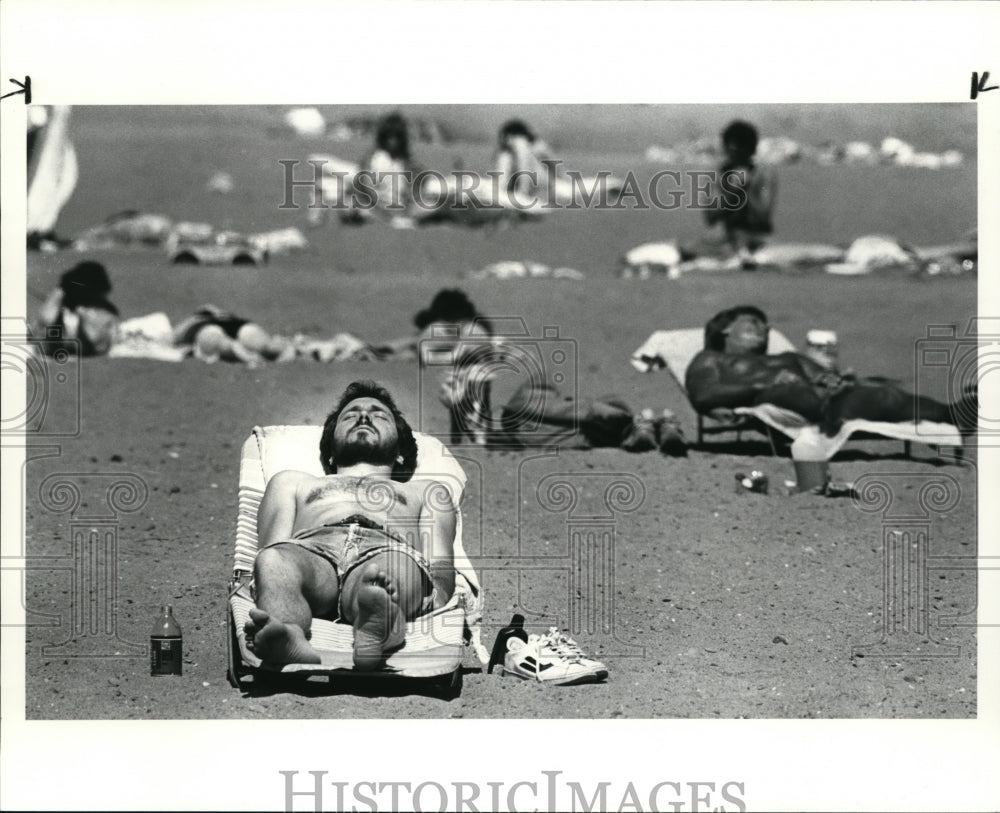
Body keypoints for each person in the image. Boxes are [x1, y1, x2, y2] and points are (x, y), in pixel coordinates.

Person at [244, 380, 457, 669]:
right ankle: (288, 636)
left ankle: (378, 626)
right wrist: (268, 581)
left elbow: (440, 562)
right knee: (273, 561)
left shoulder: (426, 491)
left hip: (387, 545)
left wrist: (435, 598)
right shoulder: (292, 481)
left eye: (380, 415)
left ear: (400, 452)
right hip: (312, 549)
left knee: (385, 574)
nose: (364, 416)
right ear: (330, 450)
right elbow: (272, 547)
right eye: (350, 414)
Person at [685, 305, 972, 437]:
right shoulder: (710, 359)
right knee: (884, 399)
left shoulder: (786, 357)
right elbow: (704, 394)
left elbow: (821, 375)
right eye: (753, 323)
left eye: (766, 324)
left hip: (823, 399)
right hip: (790, 402)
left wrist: (835, 378)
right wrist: (762, 387)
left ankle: (948, 416)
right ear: (725, 329)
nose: (765, 329)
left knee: (880, 392)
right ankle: (953, 416)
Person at [703, 120, 778, 262]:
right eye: (730, 149)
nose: (734, 155)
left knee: (743, 240)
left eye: (739, 150)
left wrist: (746, 189)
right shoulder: (719, 173)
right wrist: (731, 193)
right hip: (725, 236)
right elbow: (710, 218)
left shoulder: (763, 174)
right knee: (691, 247)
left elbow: (763, 217)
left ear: (750, 150)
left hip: (755, 235)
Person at [34, 260, 120, 356]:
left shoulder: (104, 313)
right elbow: (43, 326)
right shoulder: (56, 305)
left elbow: (99, 346)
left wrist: (83, 315)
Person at [172, 304, 295, 365]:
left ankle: (250, 357)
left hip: (207, 329)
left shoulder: (192, 323)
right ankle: (285, 349)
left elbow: (174, 338)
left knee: (225, 345)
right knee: (263, 345)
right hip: (235, 325)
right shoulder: (221, 316)